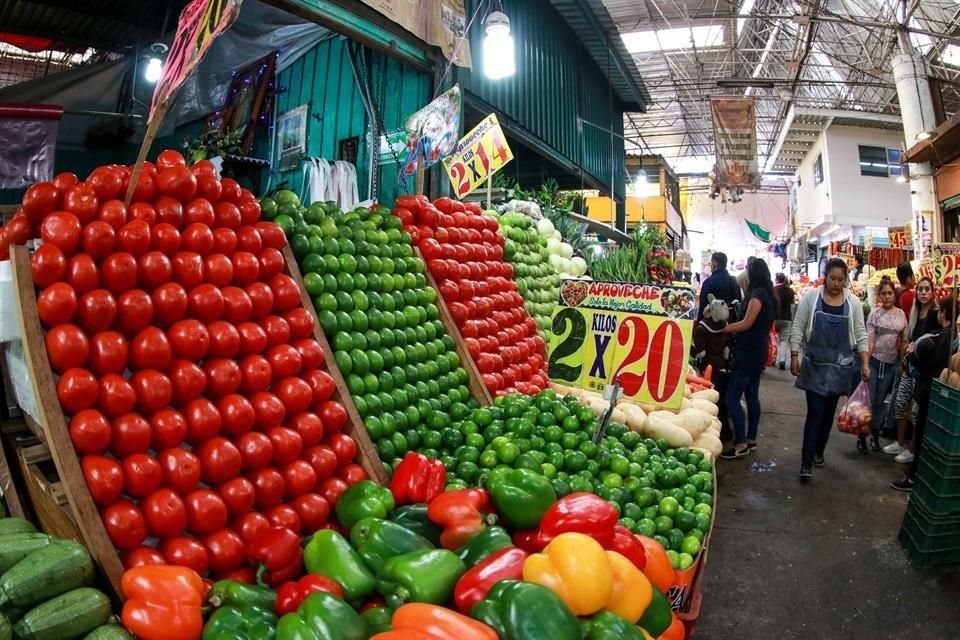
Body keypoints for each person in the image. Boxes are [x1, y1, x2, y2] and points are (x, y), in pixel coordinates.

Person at [789, 258, 870, 480]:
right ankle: (806, 462)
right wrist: (794, 355)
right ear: (825, 277)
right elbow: (798, 326)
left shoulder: (853, 303)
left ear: (845, 280)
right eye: (832, 278)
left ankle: (819, 450)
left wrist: (865, 363)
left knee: (827, 415)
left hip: (840, 368)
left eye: (840, 280)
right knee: (815, 413)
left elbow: (861, 334)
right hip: (814, 365)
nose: (836, 283)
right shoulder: (811, 298)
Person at [891, 296, 957, 491]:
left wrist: (914, 356)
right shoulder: (946, 334)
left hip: (930, 390)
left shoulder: (946, 336)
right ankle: (914, 473)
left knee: (921, 433)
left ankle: (913, 477)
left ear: (944, 313)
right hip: (931, 390)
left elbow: (933, 364)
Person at [719, 258, 777, 459]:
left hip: (748, 352)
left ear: (753, 274)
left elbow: (746, 323)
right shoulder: (768, 294)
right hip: (758, 350)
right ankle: (751, 439)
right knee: (752, 395)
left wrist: (724, 328)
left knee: (731, 397)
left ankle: (741, 443)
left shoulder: (757, 295)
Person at [884, 276, 939, 463]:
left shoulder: (935, 315)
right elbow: (909, 339)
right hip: (909, 367)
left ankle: (913, 448)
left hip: (922, 371)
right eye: (920, 289)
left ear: (932, 292)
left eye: (927, 289)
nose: (923, 293)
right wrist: (904, 360)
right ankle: (900, 442)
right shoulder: (915, 313)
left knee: (916, 411)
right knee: (900, 403)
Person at [857, 278, 907, 454]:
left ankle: (875, 435)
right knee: (868, 401)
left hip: (891, 365)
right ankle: (862, 437)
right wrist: (866, 364)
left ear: (894, 295)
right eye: (883, 293)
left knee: (880, 402)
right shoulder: (875, 315)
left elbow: (904, 340)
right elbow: (870, 340)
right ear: (879, 296)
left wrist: (902, 364)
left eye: (890, 293)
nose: (887, 297)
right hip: (874, 362)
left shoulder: (901, 315)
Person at [697, 252, 742, 321]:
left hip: (712, 324)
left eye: (711, 264)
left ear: (714, 265)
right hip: (731, 324)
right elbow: (738, 303)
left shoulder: (708, 283)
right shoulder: (734, 282)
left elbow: (702, 308)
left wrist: (699, 324)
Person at [774, 273, 795, 370]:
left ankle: (773, 358)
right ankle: (782, 360)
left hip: (774, 318)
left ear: (777, 280)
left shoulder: (773, 290)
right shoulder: (790, 291)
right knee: (784, 340)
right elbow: (793, 303)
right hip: (786, 319)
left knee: (773, 339)